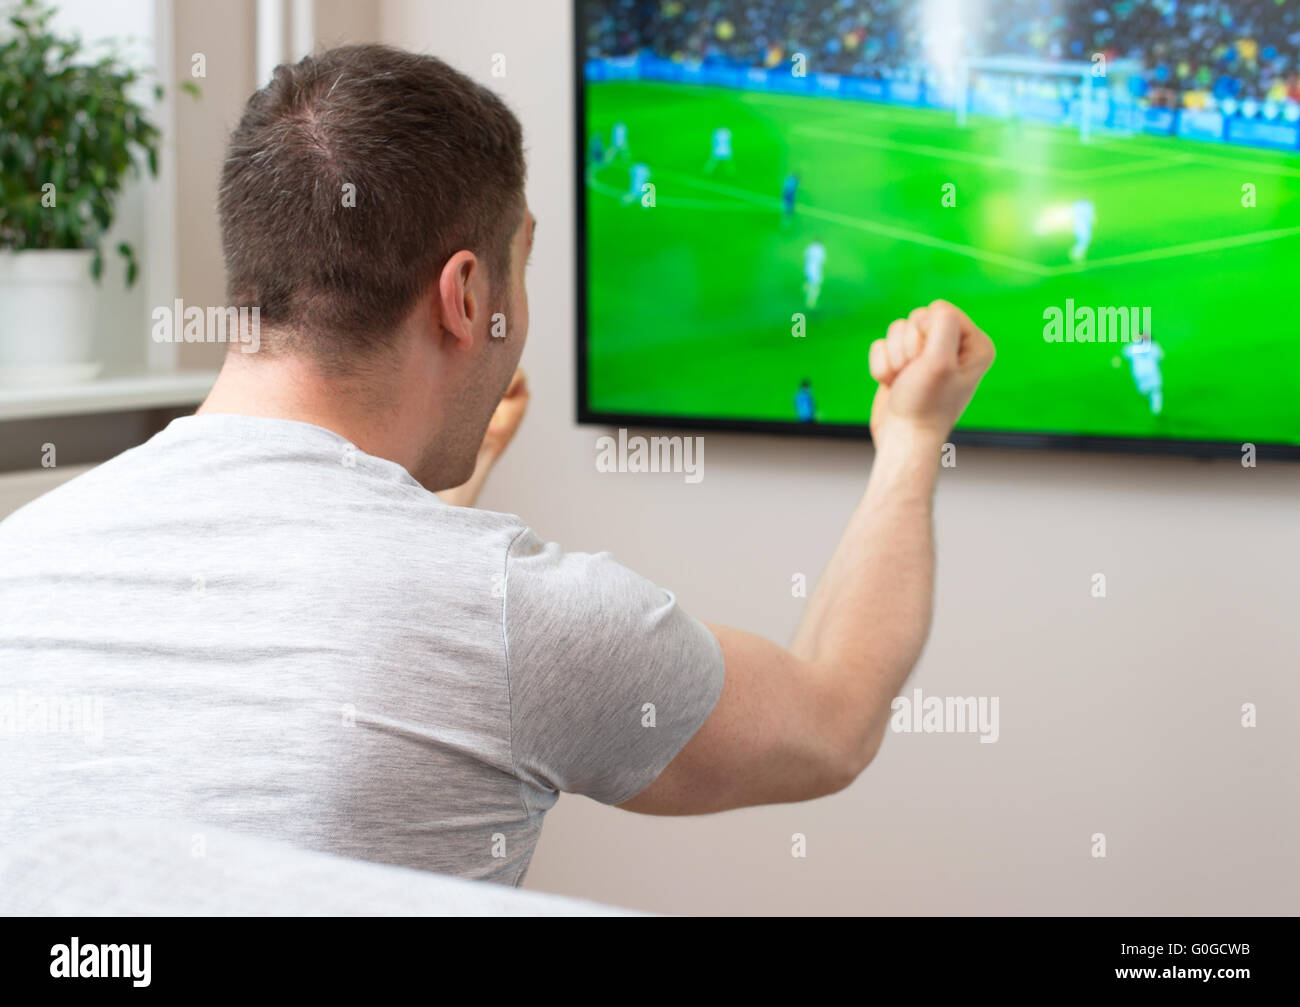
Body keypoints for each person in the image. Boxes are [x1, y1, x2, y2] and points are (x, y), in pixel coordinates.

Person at [0, 45, 995, 887]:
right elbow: (830, 721)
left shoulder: (24, 557)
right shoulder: (520, 616)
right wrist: (912, 441)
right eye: (522, 261)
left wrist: (445, 500)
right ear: (466, 295)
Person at [1122, 335, 1164, 415]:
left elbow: (1125, 355)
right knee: (1154, 390)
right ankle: (1155, 407)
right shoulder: (1154, 347)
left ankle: (1155, 407)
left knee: (1148, 391)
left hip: (1138, 373)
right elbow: (1160, 357)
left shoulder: (1131, 348)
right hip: (1152, 371)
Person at [1070, 198, 1096, 263]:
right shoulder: (1087, 206)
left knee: (1083, 240)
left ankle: (1078, 254)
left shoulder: (1077, 206)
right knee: (1085, 240)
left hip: (1078, 226)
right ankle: (1076, 254)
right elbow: (1090, 216)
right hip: (1082, 226)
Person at [804, 239, 827, 308]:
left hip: (808, 268)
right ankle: (811, 303)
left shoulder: (810, 247)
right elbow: (823, 260)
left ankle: (806, 288)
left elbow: (805, 255)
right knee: (815, 286)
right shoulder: (821, 249)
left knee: (810, 282)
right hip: (816, 270)